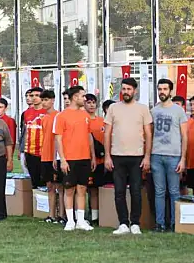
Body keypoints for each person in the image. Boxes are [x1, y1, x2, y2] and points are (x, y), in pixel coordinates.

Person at [104, 77, 152, 235]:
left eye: (129, 89)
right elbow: (108, 134)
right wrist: (107, 157)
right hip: (117, 156)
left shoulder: (143, 109)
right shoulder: (113, 108)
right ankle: (123, 223)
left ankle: (135, 223)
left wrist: (147, 157)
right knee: (119, 191)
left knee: (136, 191)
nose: (126, 92)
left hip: (137, 156)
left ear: (135, 91)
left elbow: (148, 134)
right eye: (123, 89)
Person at [54, 86, 95, 231]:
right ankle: (70, 220)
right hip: (70, 158)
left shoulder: (85, 115)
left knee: (82, 189)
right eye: (82, 96)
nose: (85, 99)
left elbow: (89, 136)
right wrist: (63, 160)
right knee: (69, 189)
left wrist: (92, 156)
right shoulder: (61, 116)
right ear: (75, 97)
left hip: (84, 157)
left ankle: (81, 220)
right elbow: (58, 139)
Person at [150, 79, 188, 233]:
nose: (162, 92)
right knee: (159, 191)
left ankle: (175, 223)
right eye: (160, 89)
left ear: (170, 91)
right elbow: (150, 133)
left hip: (173, 156)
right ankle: (160, 224)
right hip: (156, 155)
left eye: (165, 89)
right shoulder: (153, 110)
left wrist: (183, 159)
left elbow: (185, 136)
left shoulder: (178, 110)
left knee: (174, 191)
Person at [40, 90, 64, 224]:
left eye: (46, 100)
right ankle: (51, 215)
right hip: (45, 156)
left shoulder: (58, 116)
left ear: (53, 100)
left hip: (56, 156)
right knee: (49, 186)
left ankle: (61, 215)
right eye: (42, 100)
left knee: (59, 186)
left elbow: (58, 138)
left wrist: (56, 155)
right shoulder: (44, 118)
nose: (44, 102)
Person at [84, 94, 106, 225]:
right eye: (88, 102)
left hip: (101, 160)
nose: (91, 105)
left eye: (93, 102)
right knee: (85, 189)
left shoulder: (102, 121)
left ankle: (95, 216)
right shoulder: (83, 120)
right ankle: (85, 214)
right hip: (86, 159)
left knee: (96, 189)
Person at [22, 87, 46, 189]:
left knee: (45, 183)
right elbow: (25, 132)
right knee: (33, 182)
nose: (34, 98)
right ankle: (34, 204)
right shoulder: (26, 113)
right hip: (30, 152)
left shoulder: (47, 112)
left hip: (44, 152)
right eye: (32, 95)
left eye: (37, 95)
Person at [19, 90, 33, 173]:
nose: (28, 98)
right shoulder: (24, 113)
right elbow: (23, 132)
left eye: (30, 96)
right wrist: (21, 148)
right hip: (24, 148)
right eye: (26, 96)